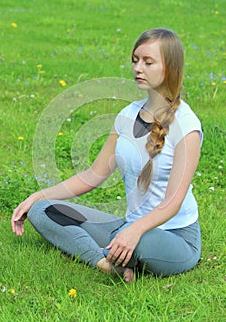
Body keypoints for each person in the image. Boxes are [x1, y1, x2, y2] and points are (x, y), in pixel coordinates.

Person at [11, 28, 203, 283]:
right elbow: (93, 175)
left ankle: (104, 249)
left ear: (169, 66)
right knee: (43, 210)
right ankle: (104, 262)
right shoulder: (127, 115)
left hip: (173, 236)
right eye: (135, 60)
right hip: (128, 227)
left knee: (140, 243)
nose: (138, 68)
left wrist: (135, 231)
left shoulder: (187, 126)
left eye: (148, 62)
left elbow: (173, 202)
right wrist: (37, 196)